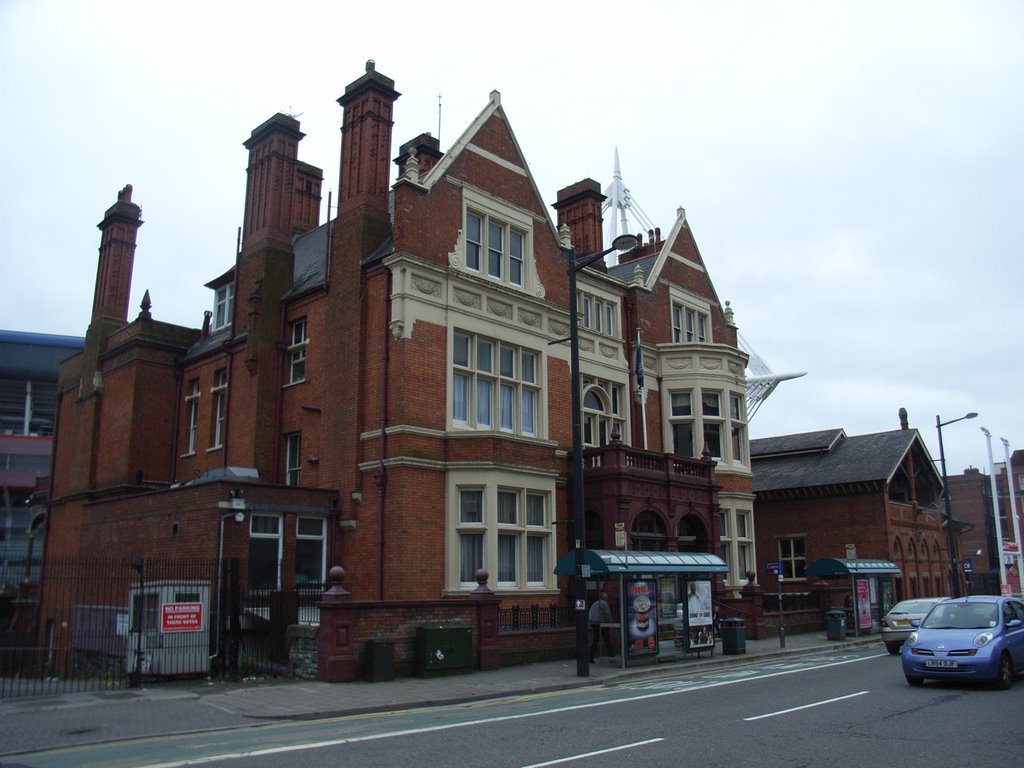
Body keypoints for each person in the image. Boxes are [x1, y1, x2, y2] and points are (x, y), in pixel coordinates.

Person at [588, 591, 614, 662]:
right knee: (608, 640)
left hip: (594, 624)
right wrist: (610, 624)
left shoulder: (595, 603)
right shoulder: (604, 603)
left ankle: (590, 657)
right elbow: (607, 614)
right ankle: (611, 657)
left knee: (595, 641)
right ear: (605, 598)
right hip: (603, 624)